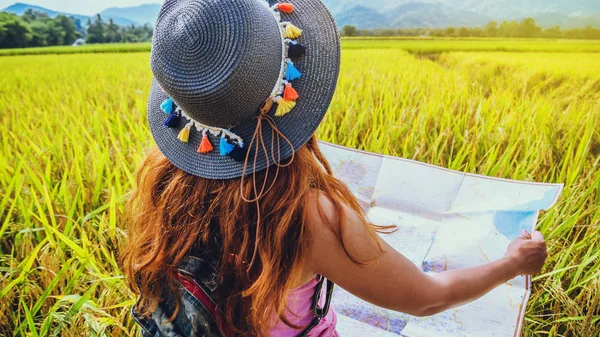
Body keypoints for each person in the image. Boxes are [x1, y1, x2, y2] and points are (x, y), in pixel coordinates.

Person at [122, 0, 549, 336]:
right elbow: (427, 299)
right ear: (296, 93)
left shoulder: (163, 183)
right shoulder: (302, 216)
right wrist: (512, 264)